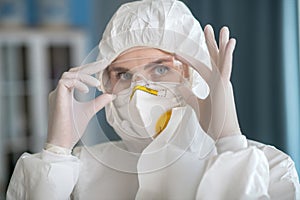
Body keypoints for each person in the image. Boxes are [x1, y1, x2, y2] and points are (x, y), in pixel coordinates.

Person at [6, 0, 300, 199]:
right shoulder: (77, 172)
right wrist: (57, 150)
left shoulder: (270, 168)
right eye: (122, 74)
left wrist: (229, 143)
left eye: (160, 69)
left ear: (196, 74)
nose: (138, 91)